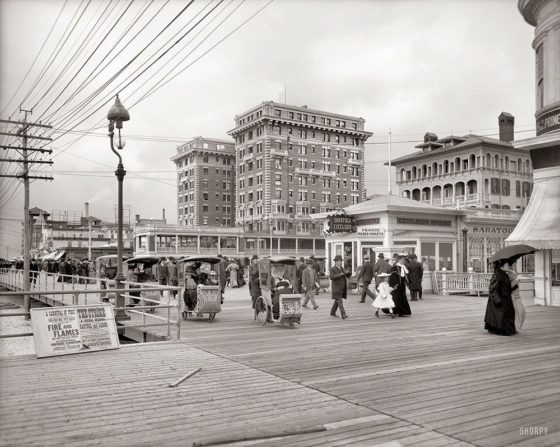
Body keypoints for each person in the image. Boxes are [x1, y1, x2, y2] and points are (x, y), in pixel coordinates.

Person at [485, 259, 516, 336]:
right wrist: (498, 301)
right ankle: (503, 330)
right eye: (507, 264)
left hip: (506, 299)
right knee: (502, 315)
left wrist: (515, 284)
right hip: (500, 300)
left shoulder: (505, 274)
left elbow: (507, 289)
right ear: (502, 265)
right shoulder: (497, 275)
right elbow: (492, 289)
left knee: (509, 313)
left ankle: (508, 329)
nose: (508, 266)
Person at [329, 254, 349, 319]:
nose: (341, 262)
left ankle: (332, 312)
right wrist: (340, 274)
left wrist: (348, 273)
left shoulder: (342, 268)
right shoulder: (332, 269)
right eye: (339, 261)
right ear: (336, 262)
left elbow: (345, 275)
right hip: (336, 288)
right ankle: (343, 314)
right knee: (340, 301)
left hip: (342, 288)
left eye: (341, 261)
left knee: (337, 301)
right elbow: (331, 277)